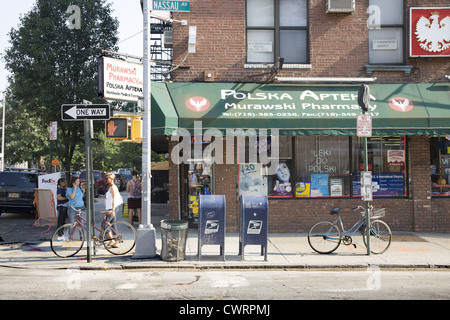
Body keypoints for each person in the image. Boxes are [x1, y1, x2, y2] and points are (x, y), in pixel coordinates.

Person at [103, 173, 123, 248]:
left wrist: (113, 210)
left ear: (111, 179)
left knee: (105, 225)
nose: (106, 180)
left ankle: (111, 241)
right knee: (113, 225)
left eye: (107, 178)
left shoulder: (113, 188)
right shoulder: (110, 187)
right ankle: (116, 242)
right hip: (110, 208)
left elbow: (114, 199)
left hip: (111, 209)